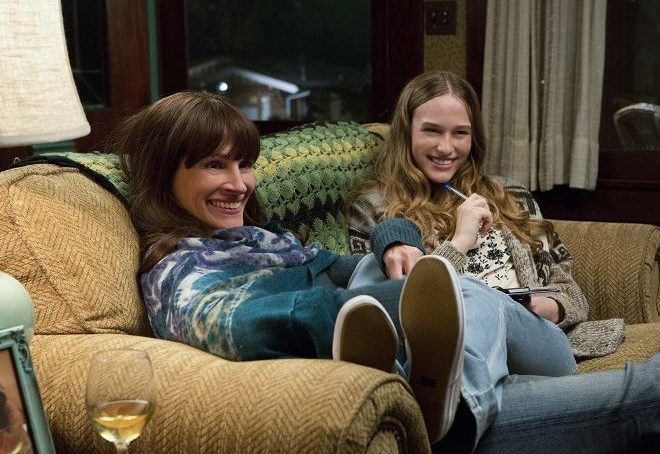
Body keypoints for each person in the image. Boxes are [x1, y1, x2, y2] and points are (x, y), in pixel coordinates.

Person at [114, 91, 580, 448]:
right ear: (163, 175)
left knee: (408, 278)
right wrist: (361, 307)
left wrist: (394, 239)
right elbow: (239, 327)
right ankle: (457, 421)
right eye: (215, 166)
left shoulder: (261, 240)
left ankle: (444, 385)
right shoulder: (181, 271)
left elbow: (342, 266)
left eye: (245, 164)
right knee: (466, 294)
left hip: (500, 341)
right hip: (408, 343)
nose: (239, 185)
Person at [349, 70, 660, 451]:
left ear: (474, 137)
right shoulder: (376, 209)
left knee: (479, 297)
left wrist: (548, 307)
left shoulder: (512, 196)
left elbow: (572, 293)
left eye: (460, 133)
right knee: (460, 298)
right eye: (432, 131)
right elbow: (398, 308)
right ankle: (455, 419)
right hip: (446, 359)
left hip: (537, 344)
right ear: (406, 133)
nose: (446, 147)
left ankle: (442, 400)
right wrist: (459, 243)